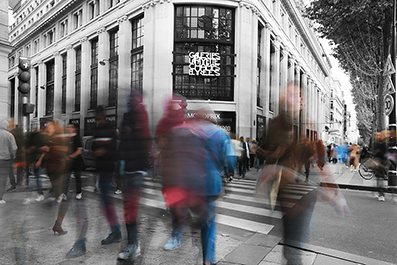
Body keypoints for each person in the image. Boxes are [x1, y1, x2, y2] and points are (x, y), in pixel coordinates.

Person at [256, 81, 349, 264]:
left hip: (300, 194)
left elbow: (320, 162)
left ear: (301, 101)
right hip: (282, 193)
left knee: (293, 251)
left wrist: (334, 193)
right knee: (289, 249)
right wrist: (272, 160)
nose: (293, 99)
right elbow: (264, 154)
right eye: (289, 94)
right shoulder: (274, 125)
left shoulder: (308, 127)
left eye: (297, 96)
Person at [117, 90, 151, 261]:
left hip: (136, 168)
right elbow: (124, 141)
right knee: (129, 209)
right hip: (131, 168)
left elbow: (142, 141)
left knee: (130, 209)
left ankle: (133, 245)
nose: (132, 102)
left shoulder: (140, 116)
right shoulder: (130, 117)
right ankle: (133, 244)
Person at [92, 106, 121, 244]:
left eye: (99, 118)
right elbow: (93, 148)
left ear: (104, 116)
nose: (98, 121)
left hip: (107, 171)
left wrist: (103, 152)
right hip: (100, 170)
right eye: (96, 119)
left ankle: (116, 232)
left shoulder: (110, 130)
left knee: (107, 204)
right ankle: (115, 231)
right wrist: (95, 153)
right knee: (106, 204)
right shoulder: (97, 131)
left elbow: (115, 153)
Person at [42, 120, 71, 235]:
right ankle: (58, 225)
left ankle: (58, 224)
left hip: (59, 172)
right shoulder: (52, 139)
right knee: (64, 199)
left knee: (64, 198)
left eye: (49, 125)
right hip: (57, 172)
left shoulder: (57, 139)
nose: (47, 127)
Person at [24, 125, 46, 202]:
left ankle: (39, 194)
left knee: (34, 177)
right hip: (34, 160)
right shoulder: (36, 137)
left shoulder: (33, 137)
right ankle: (40, 194)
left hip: (34, 160)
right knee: (36, 177)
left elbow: (43, 149)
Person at [0, 119, 17, 204]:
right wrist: (13, 157)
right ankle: (0, 198)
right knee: (2, 179)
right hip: (5, 160)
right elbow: (14, 148)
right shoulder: (9, 135)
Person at [66, 123, 83, 200]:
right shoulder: (67, 139)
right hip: (68, 162)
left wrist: (70, 157)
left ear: (73, 129)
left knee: (77, 177)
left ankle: (79, 192)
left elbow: (79, 151)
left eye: (70, 127)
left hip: (76, 161)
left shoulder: (77, 138)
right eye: (68, 127)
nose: (68, 129)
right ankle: (64, 193)